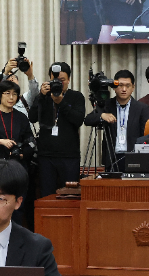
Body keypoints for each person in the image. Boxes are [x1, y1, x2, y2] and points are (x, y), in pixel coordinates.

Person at [29, 62, 86, 197]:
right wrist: (41, 96)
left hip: (69, 156)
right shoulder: (44, 96)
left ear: (69, 80)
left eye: (62, 80)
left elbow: (78, 120)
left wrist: (61, 102)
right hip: (46, 156)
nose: (59, 84)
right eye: (55, 80)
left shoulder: (77, 97)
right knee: (46, 195)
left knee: (70, 195)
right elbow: (32, 117)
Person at [84, 69, 149, 171]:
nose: (124, 89)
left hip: (134, 157)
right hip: (112, 158)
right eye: (120, 85)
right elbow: (87, 120)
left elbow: (146, 134)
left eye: (127, 86)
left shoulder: (141, 108)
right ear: (114, 87)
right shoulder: (106, 105)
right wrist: (101, 115)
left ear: (133, 87)